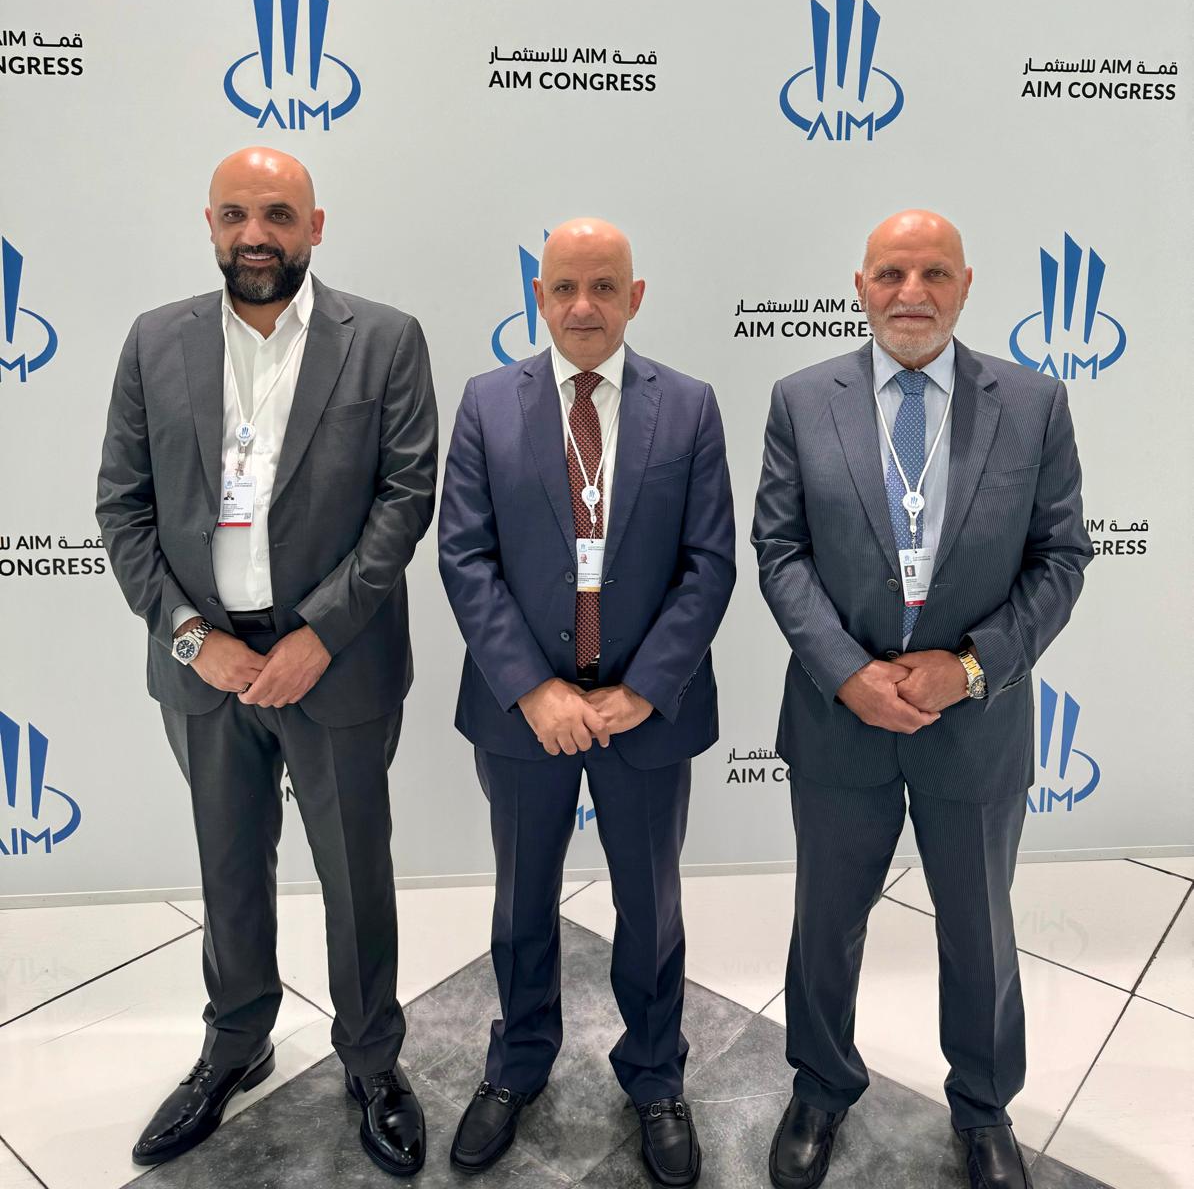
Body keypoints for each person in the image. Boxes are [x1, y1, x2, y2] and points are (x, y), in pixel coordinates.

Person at [96, 147, 437, 1177]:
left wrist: (318, 634)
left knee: (355, 872)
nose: (257, 234)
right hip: (204, 668)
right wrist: (192, 639)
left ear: (315, 226)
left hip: (336, 662)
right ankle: (235, 1041)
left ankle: (371, 1058)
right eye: (237, 214)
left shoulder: (384, 339)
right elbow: (123, 507)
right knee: (230, 866)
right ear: (210, 224)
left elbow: (404, 500)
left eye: (279, 214)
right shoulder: (155, 341)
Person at [752, 210, 1092, 1189]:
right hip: (838, 718)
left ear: (966, 284)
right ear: (860, 286)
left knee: (978, 928)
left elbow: (1062, 557)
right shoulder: (800, 399)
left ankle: (983, 1107)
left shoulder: (1033, 402)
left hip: (973, 723)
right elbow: (779, 550)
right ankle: (820, 1087)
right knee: (825, 920)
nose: (913, 292)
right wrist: (846, 671)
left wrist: (972, 667)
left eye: (935, 272)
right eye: (892, 272)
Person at [438, 218, 735, 1187]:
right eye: (564, 286)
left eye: (604, 287)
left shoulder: (688, 407)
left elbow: (709, 565)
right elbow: (465, 556)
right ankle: (518, 1061)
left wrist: (645, 689)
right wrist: (534, 688)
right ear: (538, 294)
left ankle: (655, 1073)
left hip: (645, 713)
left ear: (634, 297)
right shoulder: (487, 403)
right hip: (526, 711)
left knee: (650, 905)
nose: (583, 306)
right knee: (522, 899)